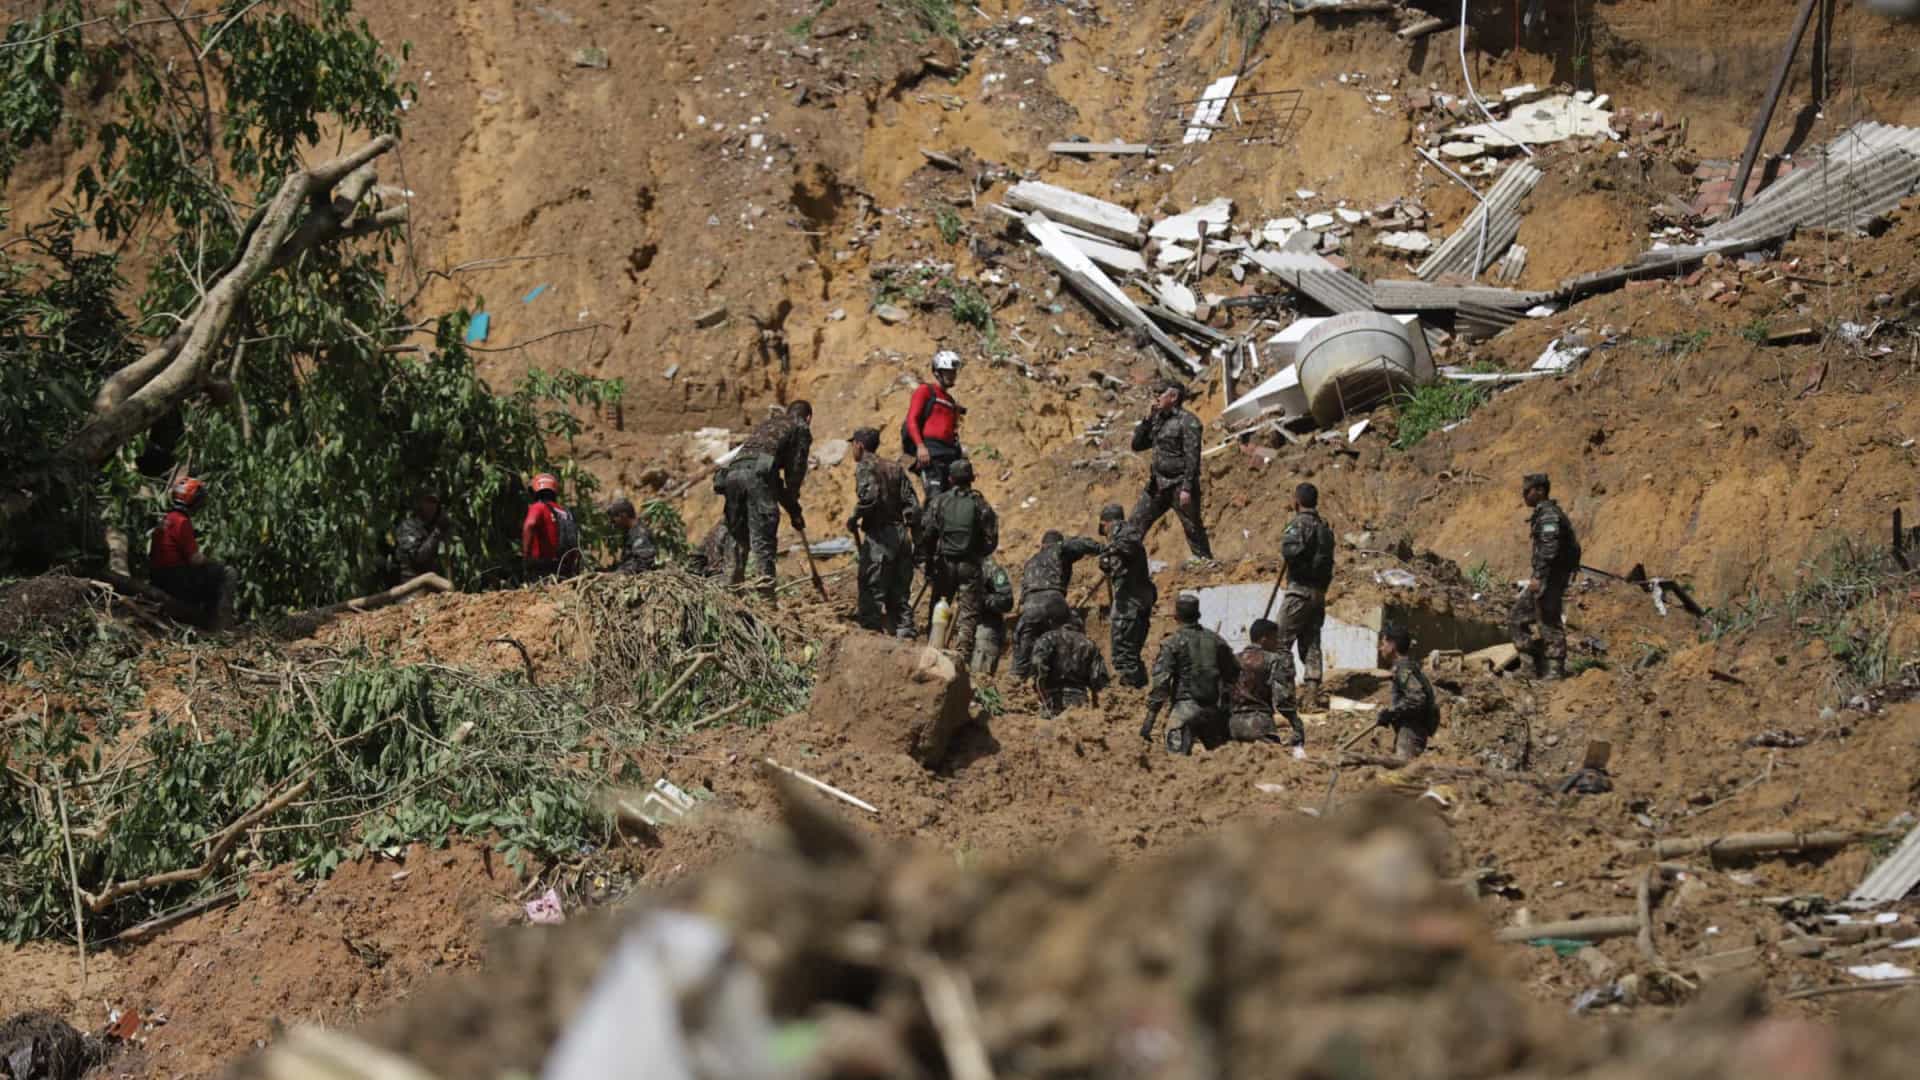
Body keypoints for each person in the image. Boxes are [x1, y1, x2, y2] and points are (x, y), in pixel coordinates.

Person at [720, 401, 813, 595]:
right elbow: (794, 472)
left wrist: (793, 510)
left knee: (737, 536)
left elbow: (770, 477)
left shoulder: (768, 425)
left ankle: (729, 593)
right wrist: (794, 503)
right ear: (808, 418)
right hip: (757, 475)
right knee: (763, 538)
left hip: (732, 474)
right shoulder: (800, 426)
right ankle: (766, 600)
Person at [915, 458, 997, 665]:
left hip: (945, 564)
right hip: (970, 565)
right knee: (968, 612)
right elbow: (991, 539)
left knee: (939, 605)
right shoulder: (980, 504)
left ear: (950, 479)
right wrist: (977, 554)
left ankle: (932, 650)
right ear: (972, 478)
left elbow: (928, 533)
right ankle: (961, 657)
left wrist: (930, 561)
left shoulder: (940, 502)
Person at [1140, 593, 1238, 755]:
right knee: (1223, 759)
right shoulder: (1216, 640)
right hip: (1212, 711)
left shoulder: (1172, 643)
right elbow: (1233, 674)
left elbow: (1161, 683)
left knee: (1176, 761)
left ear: (1176, 617)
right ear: (1198, 615)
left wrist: (1149, 720)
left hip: (1184, 710)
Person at [847, 428, 919, 637]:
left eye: (853, 445)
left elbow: (870, 497)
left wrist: (855, 517)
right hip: (901, 536)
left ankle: (870, 637)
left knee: (871, 588)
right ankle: (905, 634)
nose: (852, 449)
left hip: (880, 538)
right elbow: (913, 506)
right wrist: (914, 534)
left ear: (860, 445)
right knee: (900, 591)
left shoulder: (865, 466)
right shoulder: (895, 467)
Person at [1509, 472, 1580, 680]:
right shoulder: (1544, 513)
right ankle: (1532, 667)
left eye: (1527, 491)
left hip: (1549, 578)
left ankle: (1553, 670)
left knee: (1546, 619)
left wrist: (1538, 576)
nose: (1524, 495)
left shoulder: (1549, 515)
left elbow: (1550, 548)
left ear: (1540, 491)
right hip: (1550, 576)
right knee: (1521, 617)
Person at [1129, 382, 1212, 561]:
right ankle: (1127, 566)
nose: (1156, 397)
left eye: (1160, 393)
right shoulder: (1157, 419)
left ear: (1173, 397)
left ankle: (1206, 564)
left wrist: (1187, 488)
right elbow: (1137, 445)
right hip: (1157, 485)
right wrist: (1147, 420)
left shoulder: (1188, 421)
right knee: (1134, 525)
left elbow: (1192, 458)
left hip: (1179, 485)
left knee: (1193, 529)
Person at [1008, 529, 1105, 680]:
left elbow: (1021, 597)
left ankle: (1017, 680)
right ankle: (1077, 674)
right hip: (1053, 600)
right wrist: (1102, 548)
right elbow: (1079, 544)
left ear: (1042, 545)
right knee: (1071, 634)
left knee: (1024, 643)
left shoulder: (1030, 562)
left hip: (1030, 606)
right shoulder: (1058, 549)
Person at [148, 476, 235, 630]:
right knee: (228, 572)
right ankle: (220, 623)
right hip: (175, 579)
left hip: (158, 575)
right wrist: (212, 562)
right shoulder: (182, 522)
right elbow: (195, 560)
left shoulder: (167, 518)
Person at [1279, 482, 1337, 708]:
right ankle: (1312, 694)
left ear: (1297, 501)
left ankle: (1285, 694)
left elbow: (1289, 551)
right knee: (1312, 641)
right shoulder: (1324, 528)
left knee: (1281, 643)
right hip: (1318, 593)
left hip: (1299, 591)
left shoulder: (1298, 523)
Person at [1099, 503, 1156, 688]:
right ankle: (1138, 689)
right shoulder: (1123, 537)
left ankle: (1130, 691)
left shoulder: (1125, 532)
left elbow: (1131, 542)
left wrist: (1109, 551)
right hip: (1135, 599)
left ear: (1108, 523)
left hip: (1131, 601)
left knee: (1123, 654)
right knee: (1130, 653)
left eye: (1104, 528)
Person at [1230, 618, 1303, 749]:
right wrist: (1296, 724)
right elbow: (1282, 699)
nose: (1277, 643)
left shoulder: (1233, 660)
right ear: (1264, 639)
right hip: (1260, 725)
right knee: (1273, 759)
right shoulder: (1273, 660)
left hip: (1233, 727)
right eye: (1275, 639)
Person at [904, 350, 966, 500]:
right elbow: (912, 419)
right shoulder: (925, 391)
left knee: (952, 501)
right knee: (935, 499)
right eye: (948, 372)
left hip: (950, 455)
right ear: (937, 372)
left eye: (954, 372)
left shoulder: (950, 400)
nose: (952, 375)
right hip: (931, 454)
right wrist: (920, 446)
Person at [1375, 623, 1439, 759]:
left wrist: (1391, 712)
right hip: (1410, 729)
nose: (1380, 648)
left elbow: (1417, 697)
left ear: (1392, 645)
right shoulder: (1406, 667)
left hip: (1411, 731)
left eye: (1383, 644)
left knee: (1403, 766)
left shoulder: (1403, 669)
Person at [1032, 612, 1110, 717]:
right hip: (1079, 700)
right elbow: (1100, 682)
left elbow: (1038, 670)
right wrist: (1097, 710)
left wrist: (1044, 699)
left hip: (1052, 698)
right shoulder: (1089, 644)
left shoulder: (1047, 638)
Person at [521, 473, 581, 581]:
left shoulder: (538, 507)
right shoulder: (565, 512)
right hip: (564, 568)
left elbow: (530, 524)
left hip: (542, 568)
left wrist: (526, 556)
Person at [972, 555, 1016, 674]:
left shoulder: (990, 567)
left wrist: (982, 599)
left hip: (985, 630)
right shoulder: (963, 562)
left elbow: (1006, 600)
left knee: (979, 678)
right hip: (967, 631)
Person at [392, 491, 448, 583]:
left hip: (431, 584)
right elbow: (418, 557)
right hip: (411, 584)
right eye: (428, 502)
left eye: (434, 502)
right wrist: (437, 532)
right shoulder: (408, 527)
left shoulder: (432, 528)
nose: (432, 506)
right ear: (419, 504)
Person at [605, 498, 658, 574]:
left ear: (623, 516)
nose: (613, 524)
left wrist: (617, 573)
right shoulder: (630, 533)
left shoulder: (639, 534)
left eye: (614, 520)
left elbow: (644, 563)